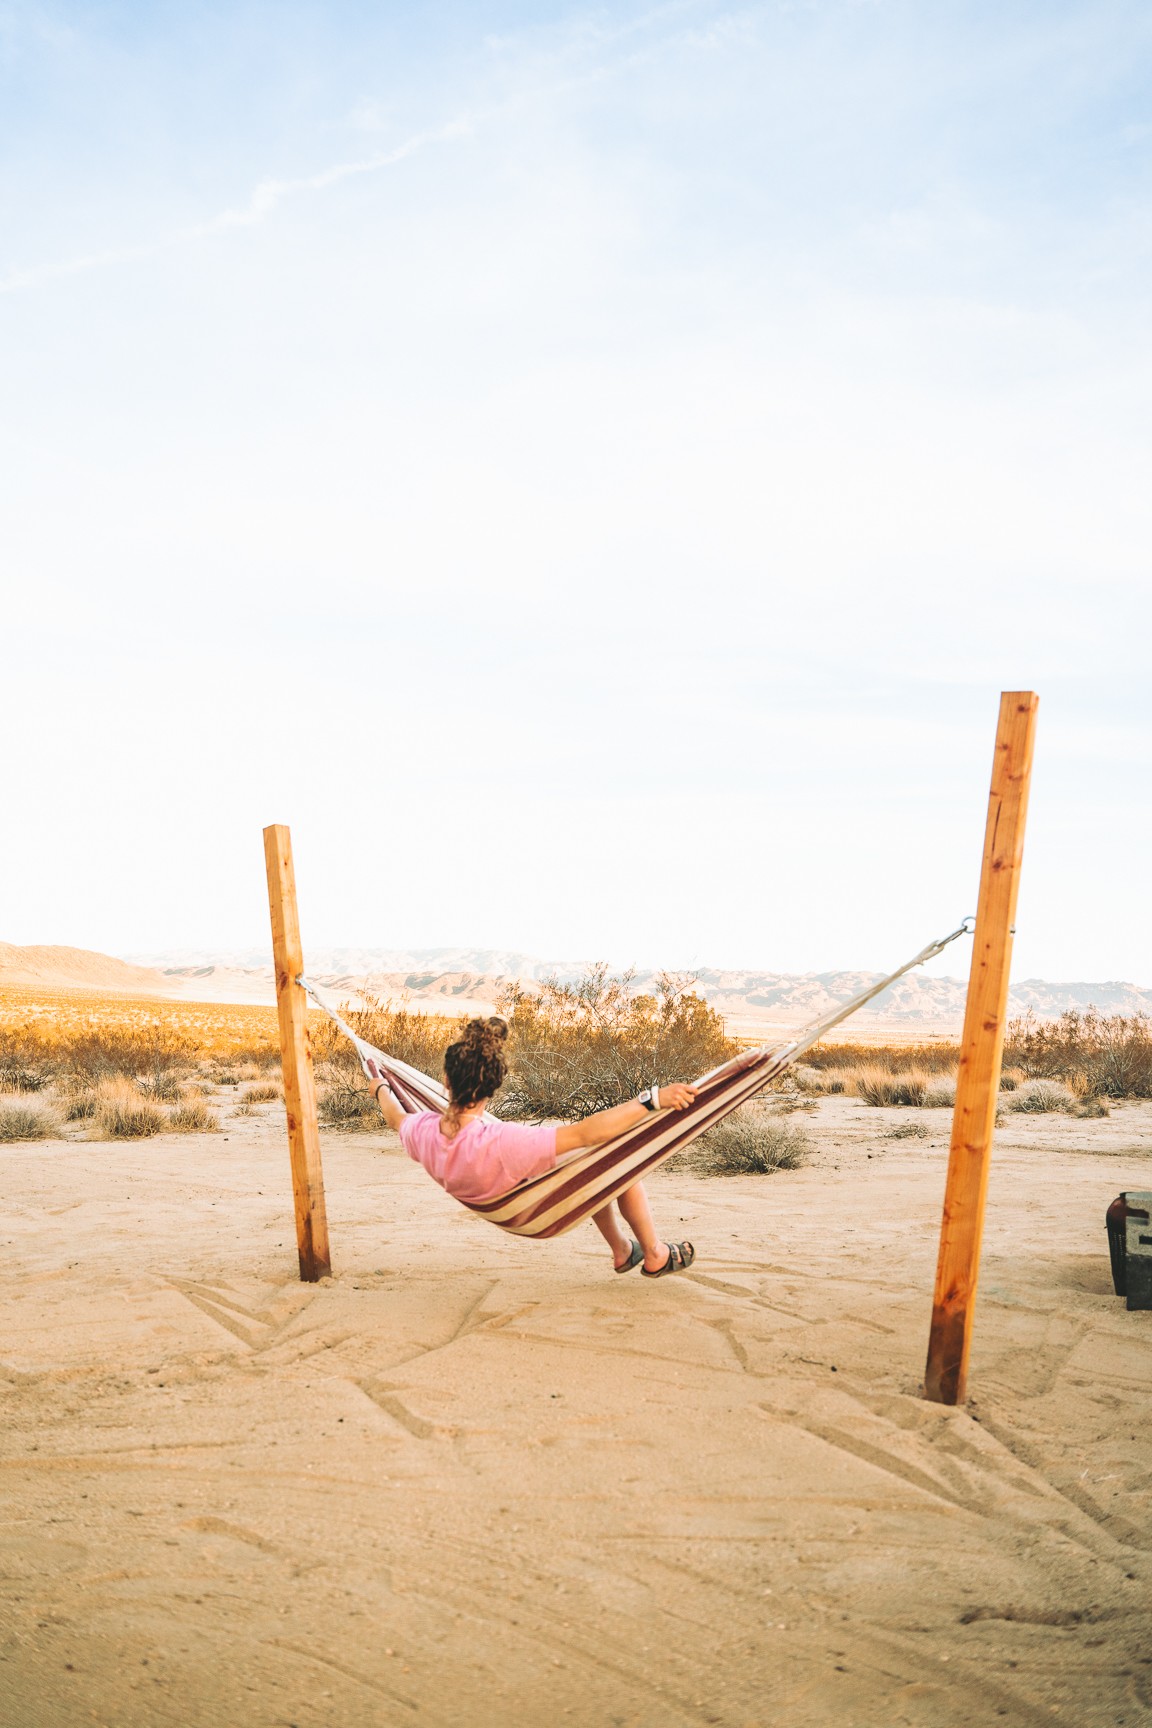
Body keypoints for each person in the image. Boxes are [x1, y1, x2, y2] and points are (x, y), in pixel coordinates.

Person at [367, 1017, 698, 1277]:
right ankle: (654, 1254)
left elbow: (396, 1116)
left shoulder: (422, 1132)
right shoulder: (502, 1143)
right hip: (530, 1210)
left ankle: (622, 1250)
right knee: (618, 1162)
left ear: (446, 1081)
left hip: (507, 1206)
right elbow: (587, 1134)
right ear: (493, 1088)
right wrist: (652, 1100)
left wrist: (381, 1086)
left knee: (590, 1165)